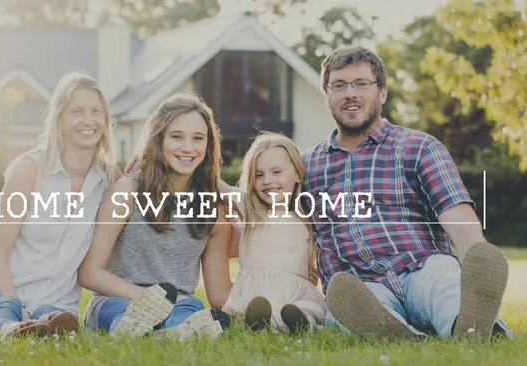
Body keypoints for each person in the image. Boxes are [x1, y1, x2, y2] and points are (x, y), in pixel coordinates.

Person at [300, 46, 511, 342]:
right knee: (344, 307)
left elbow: (459, 221)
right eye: (339, 85)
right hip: (360, 286)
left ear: (382, 92)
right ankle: (396, 333)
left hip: (422, 267)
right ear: (326, 96)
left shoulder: (420, 147)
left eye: (361, 83)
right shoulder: (305, 165)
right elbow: (264, 210)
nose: (350, 93)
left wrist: (478, 268)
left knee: (446, 285)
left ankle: (475, 326)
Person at [0, 71, 119, 338]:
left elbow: (147, 187)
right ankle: (9, 329)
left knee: (53, 315)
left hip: (54, 305)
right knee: (4, 307)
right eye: (76, 111)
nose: (88, 120)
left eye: (95, 111)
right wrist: (17, 307)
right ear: (59, 121)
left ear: (105, 119)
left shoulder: (109, 180)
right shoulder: (29, 171)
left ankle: (42, 328)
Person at [79, 93, 233, 340]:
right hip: (115, 301)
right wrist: (150, 300)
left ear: (209, 145)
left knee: (193, 309)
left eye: (198, 138)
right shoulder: (127, 190)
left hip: (179, 305)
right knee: (126, 312)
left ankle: (161, 335)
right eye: (176, 137)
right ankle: (137, 330)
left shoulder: (214, 210)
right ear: (158, 139)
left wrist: (273, 305)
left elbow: (219, 295)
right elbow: (89, 272)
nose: (187, 147)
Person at [219, 132, 327, 332]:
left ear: (297, 174)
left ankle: (300, 322)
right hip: (255, 292)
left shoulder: (306, 214)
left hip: (294, 293)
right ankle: (258, 320)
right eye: (259, 175)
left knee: (306, 309)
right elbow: (219, 187)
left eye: (276, 172)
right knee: (253, 307)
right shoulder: (250, 209)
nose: (267, 180)